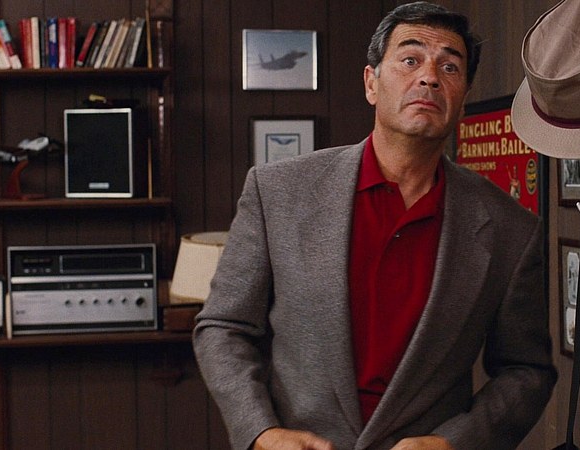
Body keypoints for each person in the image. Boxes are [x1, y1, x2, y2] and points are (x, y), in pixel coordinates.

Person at [193, 2, 557, 449]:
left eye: (449, 67)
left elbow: (526, 371)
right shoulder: (278, 192)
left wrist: (455, 442)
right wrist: (261, 432)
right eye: (410, 59)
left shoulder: (510, 229)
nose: (429, 77)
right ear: (371, 83)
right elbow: (223, 327)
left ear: (462, 98)